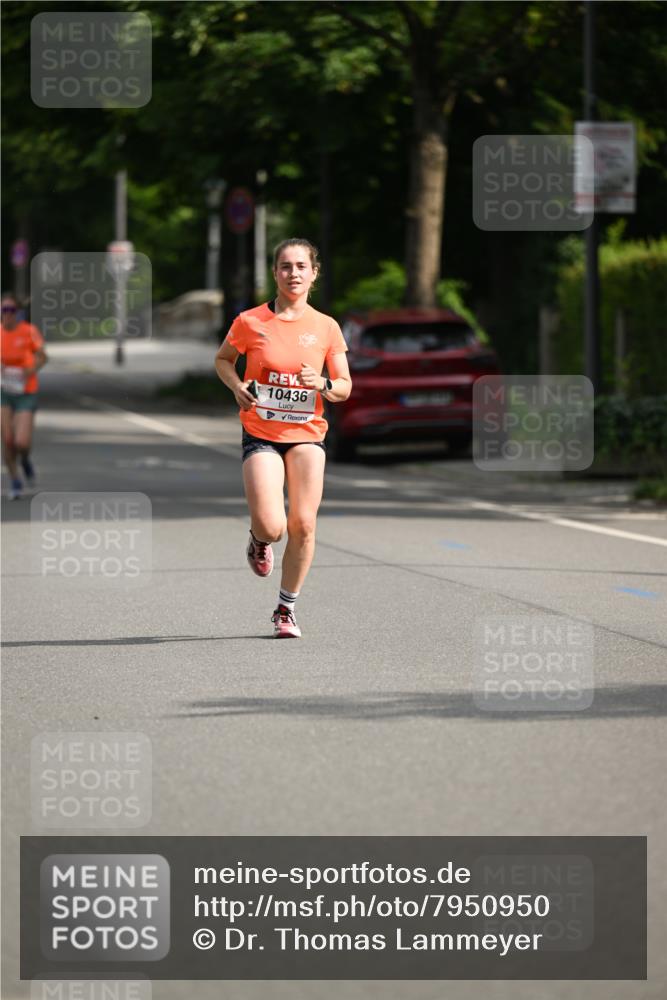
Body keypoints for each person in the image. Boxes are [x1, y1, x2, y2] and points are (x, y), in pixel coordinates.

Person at [215, 238, 352, 638]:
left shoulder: (326, 327)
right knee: (273, 525)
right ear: (275, 273)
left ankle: (285, 609)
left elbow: (344, 386)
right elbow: (223, 359)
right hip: (261, 431)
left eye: (301, 266)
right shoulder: (250, 321)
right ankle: (259, 541)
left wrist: (323, 383)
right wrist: (237, 385)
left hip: (308, 433)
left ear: (314, 273)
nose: (294, 273)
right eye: (286, 266)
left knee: (304, 524)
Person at [1, 293, 47, 500]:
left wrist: (31, 369)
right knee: (8, 440)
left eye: (11, 310)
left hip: (25, 392)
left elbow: (43, 356)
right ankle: (15, 481)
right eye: (4, 310)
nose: (8, 314)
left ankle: (26, 460)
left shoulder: (29, 332)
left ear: (18, 312)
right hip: (3, 392)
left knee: (21, 442)